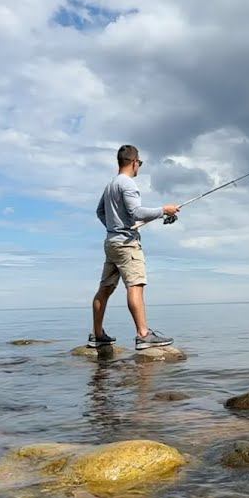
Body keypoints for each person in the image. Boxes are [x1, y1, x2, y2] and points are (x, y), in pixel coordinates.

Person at [90, 144, 179, 350]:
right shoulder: (127, 184)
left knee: (105, 289)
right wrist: (164, 210)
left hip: (112, 243)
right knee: (135, 286)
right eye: (140, 162)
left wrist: (114, 227)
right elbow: (137, 212)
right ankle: (143, 335)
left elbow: (100, 212)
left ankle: (97, 335)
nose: (139, 166)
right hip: (127, 245)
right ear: (133, 162)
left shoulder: (111, 185)